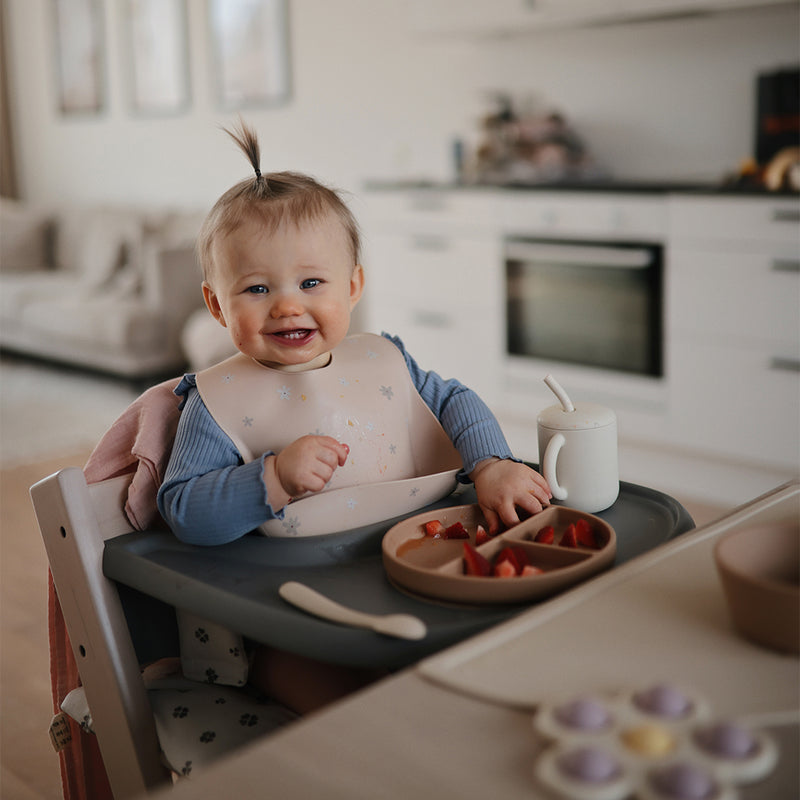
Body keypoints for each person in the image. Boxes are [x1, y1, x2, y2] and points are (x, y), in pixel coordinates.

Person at [157, 119, 551, 712]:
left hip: (412, 565)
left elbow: (454, 400)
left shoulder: (383, 358)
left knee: (500, 645)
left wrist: (492, 463)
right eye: (257, 289)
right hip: (292, 608)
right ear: (216, 303)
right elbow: (182, 511)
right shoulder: (215, 402)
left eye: (312, 281)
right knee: (354, 699)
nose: (289, 304)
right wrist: (271, 480)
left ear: (354, 286)